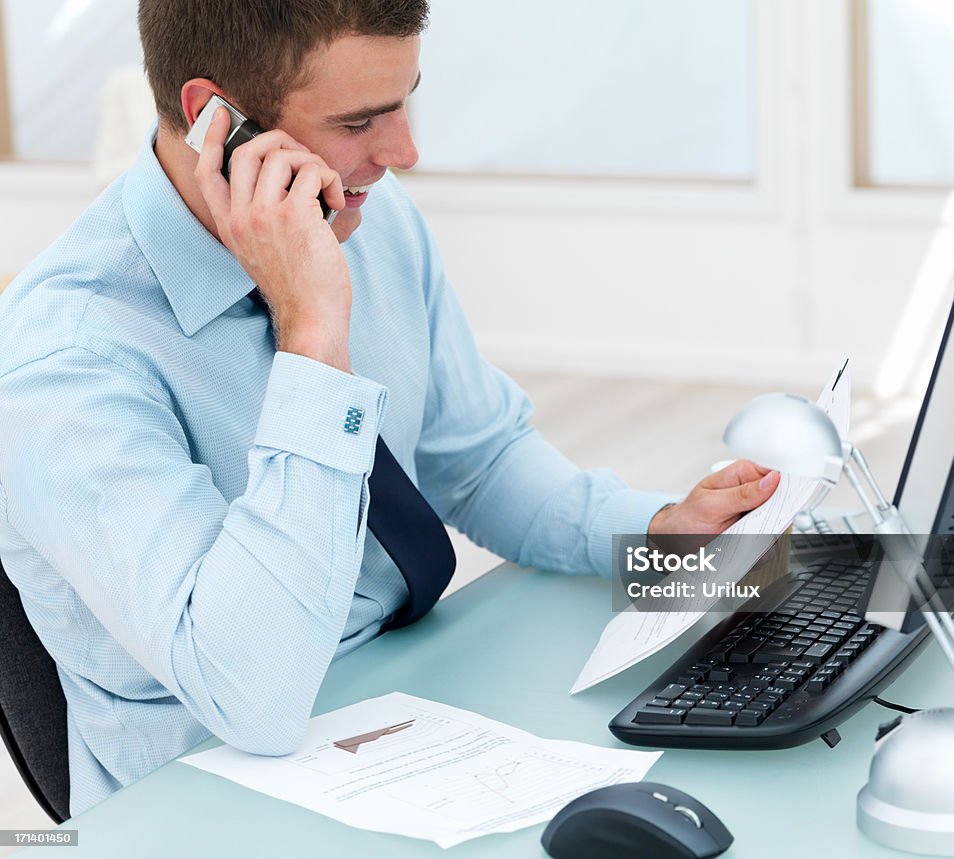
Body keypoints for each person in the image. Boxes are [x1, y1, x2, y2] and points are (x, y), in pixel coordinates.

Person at [0, 0, 779, 815]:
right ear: (213, 122)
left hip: (407, 710)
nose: (403, 152)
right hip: (208, 789)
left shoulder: (365, 218)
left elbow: (479, 461)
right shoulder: (69, 358)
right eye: (360, 120)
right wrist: (312, 340)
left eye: (406, 100)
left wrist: (657, 536)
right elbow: (251, 693)